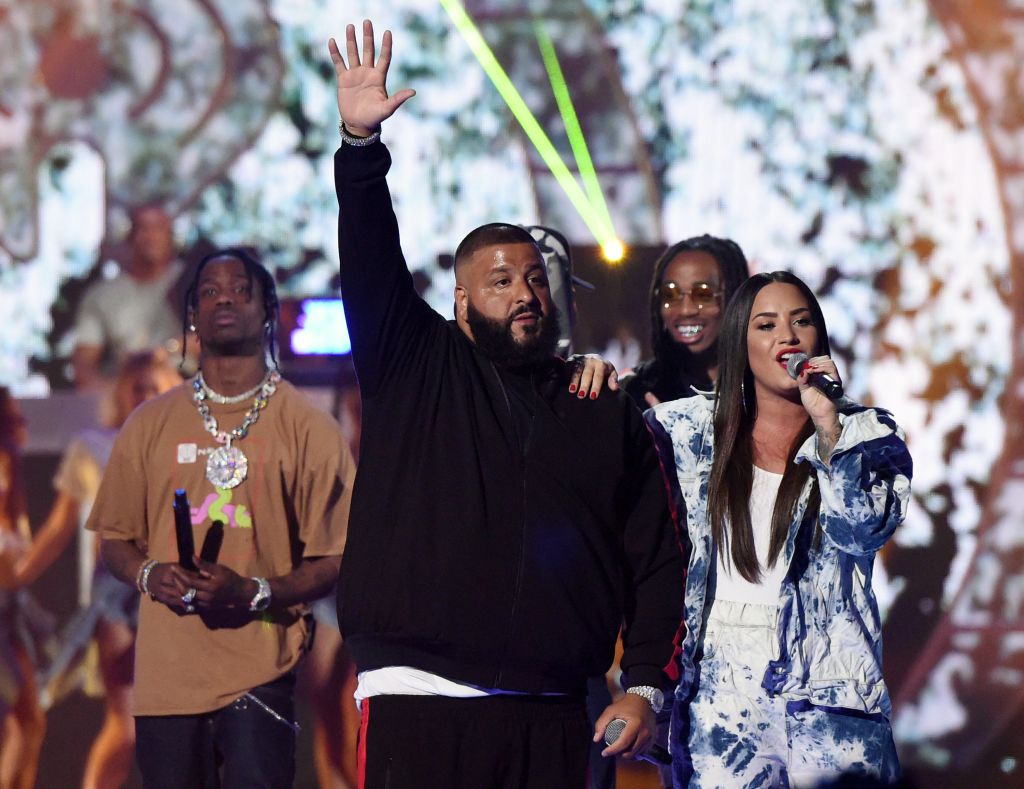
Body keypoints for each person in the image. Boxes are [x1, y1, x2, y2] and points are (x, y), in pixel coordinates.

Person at [330, 21, 684, 788]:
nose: (524, 293)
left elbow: (655, 555)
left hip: (556, 711)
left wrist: (649, 680)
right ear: (460, 301)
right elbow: (369, 259)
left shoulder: (598, 404)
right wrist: (361, 151)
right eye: (499, 280)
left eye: (532, 279)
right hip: (419, 701)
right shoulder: (414, 363)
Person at [87, 248, 354, 788]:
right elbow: (114, 541)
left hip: (262, 675)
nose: (225, 298)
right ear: (192, 315)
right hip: (166, 682)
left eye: (240, 289)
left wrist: (255, 592)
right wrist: (148, 574)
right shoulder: (148, 424)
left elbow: (339, 557)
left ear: (268, 309)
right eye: (210, 291)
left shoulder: (309, 427)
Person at [646, 271, 912, 787]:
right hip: (722, 689)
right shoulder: (690, 432)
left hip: (829, 686)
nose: (788, 337)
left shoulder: (866, 434)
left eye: (801, 321)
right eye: (766, 325)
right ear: (740, 344)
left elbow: (863, 531)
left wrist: (827, 424)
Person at [13, 350, 181, 789]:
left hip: (178, 592)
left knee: (180, 727)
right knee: (125, 726)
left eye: (155, 386)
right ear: (122, 391)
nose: (145, 395)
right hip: (117, 594)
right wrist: (17, 576)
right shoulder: (92, 446)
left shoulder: (189, 447)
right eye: (137, 386)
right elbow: (58, 528)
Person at [622, 235, 749, 409]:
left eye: (703, 295)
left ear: (736, 297)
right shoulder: (637, 390)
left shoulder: (767, 388)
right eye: (670, 294)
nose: (685, 310)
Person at [73, 204, 187, 389]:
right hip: (128, 400)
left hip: (186, 397)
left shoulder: (196, 283)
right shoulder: (102, 296)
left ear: (171, 236)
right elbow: (84, 364)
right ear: (130, 237)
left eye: (158, 228)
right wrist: (110, 401)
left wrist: (170, 350)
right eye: (144, 228)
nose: (151, 237)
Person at [0, 388, 47, 789]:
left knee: (29, 721)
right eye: (14, 417)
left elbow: (21, 544)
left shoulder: (13, 465)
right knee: (21, 721)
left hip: (11, 608)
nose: (24, 423)